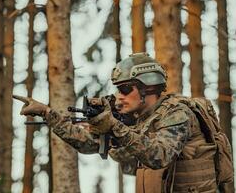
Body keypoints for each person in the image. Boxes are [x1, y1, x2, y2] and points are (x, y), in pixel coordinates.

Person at [14, 53, 220, 193]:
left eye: (125, 89)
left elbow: (159, 156)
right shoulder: (137, 120)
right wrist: (47, 113)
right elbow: (88, 143)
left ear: (147, 88)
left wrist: (114, 126)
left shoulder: (178, 113)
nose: (118, 96)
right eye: (117, 89)